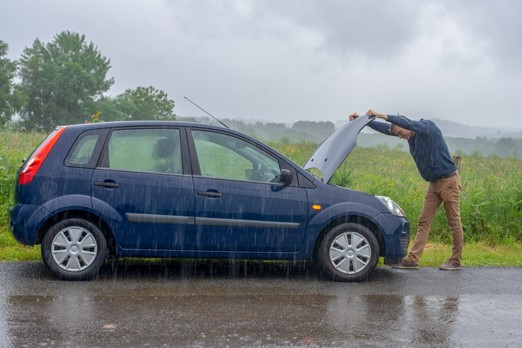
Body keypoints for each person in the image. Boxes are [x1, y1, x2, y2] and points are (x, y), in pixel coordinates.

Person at [349, 109, 464, 270]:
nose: (400, 137)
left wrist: (381, 114)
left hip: (449, 182)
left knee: (454, 222)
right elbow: (387, 129)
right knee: (424, 221)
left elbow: (408, 123)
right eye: (397, 135)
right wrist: (363, 121)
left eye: (400, 133)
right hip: (434, 184)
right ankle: (412, 259)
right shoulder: (409, 134)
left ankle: (455, 260)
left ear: (405, 125)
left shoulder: (428, 127)